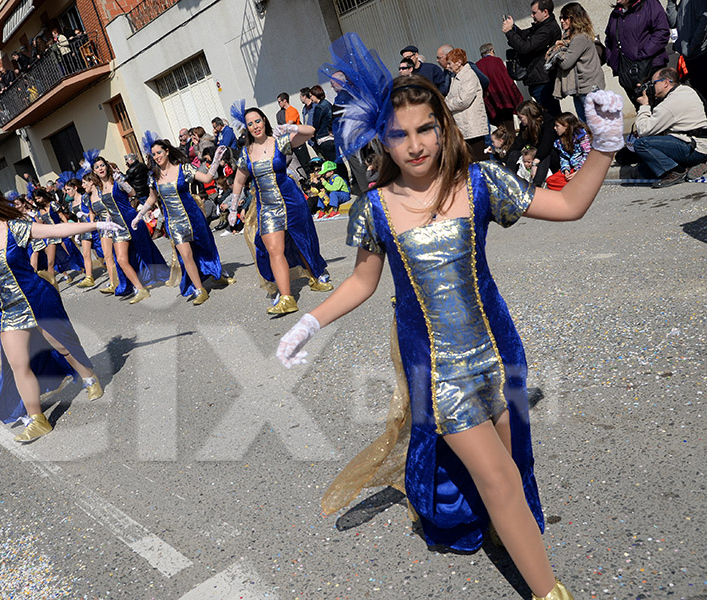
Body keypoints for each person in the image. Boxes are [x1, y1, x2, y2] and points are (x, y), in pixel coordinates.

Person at [278, 32, 625, 600]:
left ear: (443, 127)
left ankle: (508, 539)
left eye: (424, 129)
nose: (414, 145)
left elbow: (568, 205)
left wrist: (605, 146)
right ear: (381, 141)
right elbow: (363, 282)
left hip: (501, 354)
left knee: (515, 469)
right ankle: (550, 592)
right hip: (442, 375)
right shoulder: (375, 209)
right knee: (499, 480)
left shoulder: (482, 181)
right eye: (399, 134)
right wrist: (310, 322)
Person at [0, 182, 120, 443]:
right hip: (7, 310)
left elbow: (56, 229)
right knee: (17, 365)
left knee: (62, 345)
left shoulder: (16, 228)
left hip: (36, 299)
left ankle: (89, 377)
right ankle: (38, 420)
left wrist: (96, 226)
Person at [227, 106, 332, 314]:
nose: (255, 126)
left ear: (264, 121)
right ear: (246, 128)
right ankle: (287, 298)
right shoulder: (245, 153)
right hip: (266, 206)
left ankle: (314, 275)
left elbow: (310, 131)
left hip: (291, 200)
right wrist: (232, 208)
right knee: (274, 250)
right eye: (250, 124)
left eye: (257, 121)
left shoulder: (280, 141)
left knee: (303, 240)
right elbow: (239, 181)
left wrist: (290, 127)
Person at [131, 136, 234, 305]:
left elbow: (208, 179)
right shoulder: (153, 176)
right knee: (186, 255)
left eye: (159, 152)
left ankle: (217, 274)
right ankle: (200, 289)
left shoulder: (184, 168)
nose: (156, 156)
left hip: (194, 217)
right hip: (174, 223)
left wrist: (215, 160)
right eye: (153, 154)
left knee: (205, 247)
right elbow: (151, 199)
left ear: (167, 151)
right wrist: (139, 215)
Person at [89, 156, 170, 300]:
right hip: (117, 226)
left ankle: (161, 274)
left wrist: (121, 181)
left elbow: (133, 193)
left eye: (102, 165)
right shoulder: (99, 188)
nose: (100, 168)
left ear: (106, 167)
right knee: (121, 259)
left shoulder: (116, 180)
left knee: (144, 249)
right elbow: (109, 209)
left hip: (131, 220)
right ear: (94, 172)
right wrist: (107, 225)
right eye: (97, 167)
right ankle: (140, 289)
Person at [632, 67, 707, 187]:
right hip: (697, 143)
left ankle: (677, 171)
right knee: (643, 170)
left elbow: (643, 130)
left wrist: (645, 106)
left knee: (641, 144)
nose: (652, 87)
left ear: (666, 82)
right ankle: (694, 165)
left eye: (653, 83)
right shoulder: (685, 90)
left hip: (693, 147)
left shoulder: (671, 102)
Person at [546, 2, 607, 123]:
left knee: (594, 124)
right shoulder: (572, 39)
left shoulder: (580, 38)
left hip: (589, 88)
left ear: (574, 18)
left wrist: (558, 52)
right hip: (581, 89)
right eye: (561, 18)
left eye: (565, 18)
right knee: (586, 124)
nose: (562, 21)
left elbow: (566, 63)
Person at [503, 0, 563, 117]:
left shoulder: (547, 30)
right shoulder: (541, 27)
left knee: (551, 117)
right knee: (548, 116)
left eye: (534, 13)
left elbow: (526, 47)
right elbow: (526, 36)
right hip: (538, 79)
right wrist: (513, 28)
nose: (532, 15)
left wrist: (509, 32)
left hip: (543, 80)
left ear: (545, 12)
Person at [604, 0, 670, 103]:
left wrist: (642, 55)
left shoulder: (650, 5)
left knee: (658, 109)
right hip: (627, 73)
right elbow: (609, 39)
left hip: (650, 69)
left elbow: (661, 32)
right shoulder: (615, 14)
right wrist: (613, 61)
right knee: (641, 110)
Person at [444, 48, 489, 161]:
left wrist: (446, 105)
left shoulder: (469, 76)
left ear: (459, 62)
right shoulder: (455, 77)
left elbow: (463, 101)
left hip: (472, 126)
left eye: (449, 63)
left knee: (479, 159)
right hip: (462, 126)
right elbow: (449, 97)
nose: (447, 66)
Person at [477, 43, 524, 134]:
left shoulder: (478, 65)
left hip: (490, 99)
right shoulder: (497, 61)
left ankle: (505, 144)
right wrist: (513, 92)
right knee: (509, 125)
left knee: (500, 126)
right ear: (491, 51)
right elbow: (506, 78)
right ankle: (511, 144)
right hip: (504, 97)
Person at [508, 100, 558, 186]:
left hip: (548, 157)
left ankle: (536, 185)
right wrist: (504, 161)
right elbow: (517, 144)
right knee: (514, 154)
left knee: (546, 154)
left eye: (521, 117)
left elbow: (546, 145)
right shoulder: (525, 127)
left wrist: (535, 162)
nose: (520, 121)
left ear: (529, 116)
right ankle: (510, 182)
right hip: (535, 155)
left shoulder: (548, 122)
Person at [667, 0, 707, 99]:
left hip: (700, 55)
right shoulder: (683, 2)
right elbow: (673, 23)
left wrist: (693, 45)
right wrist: (671, 3)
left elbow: (704, 22)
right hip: (689, 56)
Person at [547, 112, 592, 190]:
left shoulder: (582, 135)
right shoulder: (560, 140)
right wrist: (566, 169)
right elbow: (563, 157)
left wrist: (578, 171)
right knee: (551, 180)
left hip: (585, 167)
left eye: (557, 126)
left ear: (566, 126)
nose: (555, 128)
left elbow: (588, 154)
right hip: (573, 168)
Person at [277, 93, 312, 172]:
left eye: (279, 102)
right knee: (298, 164)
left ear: (285, 101)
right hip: (291, 142)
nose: (279, 104)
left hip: (298, 140)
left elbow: (290, 123)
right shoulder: (281, 114)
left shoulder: (292, 110)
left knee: (305, 162)